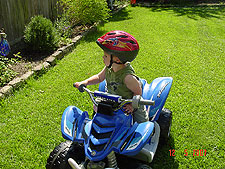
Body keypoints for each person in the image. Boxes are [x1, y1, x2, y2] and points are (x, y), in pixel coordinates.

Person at [74, 30, 148, 123]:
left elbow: (137, 92)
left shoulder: (128, 77)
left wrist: (132, 105)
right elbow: (99, 77)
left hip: (127, 101)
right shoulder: (109, 68)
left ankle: (146, 126)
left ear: (116, 59)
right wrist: (85, 82)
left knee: (141, 121)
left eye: (105, 56)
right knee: (97, 105)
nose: (103, 57)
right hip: (112, 98)